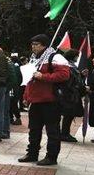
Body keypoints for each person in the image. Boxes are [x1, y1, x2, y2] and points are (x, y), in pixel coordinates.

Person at [19, 34, 70, 166]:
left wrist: (43, 76)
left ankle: (51, 156)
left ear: (44, 45)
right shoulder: (34, 59)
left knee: (52, 130)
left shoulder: (56, 57)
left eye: (36, 44)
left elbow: (64, 75)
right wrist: (26, 96)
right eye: (32, 44)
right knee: (34, 129)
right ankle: (32, 153)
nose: (33, 47)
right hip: (35, 100)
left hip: (50, 100)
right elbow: (29, 80)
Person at [59, 49, 84, 142]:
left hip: (70, 93)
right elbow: (71, 81)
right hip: (69, 94)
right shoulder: (68, 67)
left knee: (69, 115)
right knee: (68, 115)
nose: (78, 58)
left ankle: (64, 133)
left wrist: (81, 75)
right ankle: (64, 134)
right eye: (77, 56)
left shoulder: (71, 66)